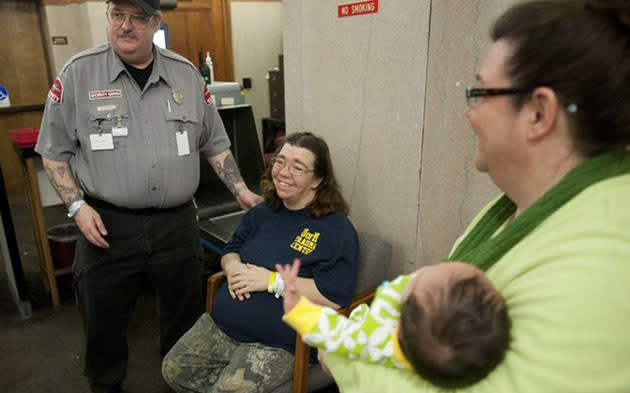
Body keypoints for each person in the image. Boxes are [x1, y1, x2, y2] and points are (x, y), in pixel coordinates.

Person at [319, 1, 630, 392]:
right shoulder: (507, 211)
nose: (471, 113)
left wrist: (345, 356)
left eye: (480, 92)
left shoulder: (604, 261)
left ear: (538, 113)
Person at [35, 0, 261, 392]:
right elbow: (53, 152)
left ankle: (177, 382)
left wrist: (240, 190)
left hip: (176, 224)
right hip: (106, 225)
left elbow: (215, 145)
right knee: (102, 319)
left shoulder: (186, 76)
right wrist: (77, 206)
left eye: (138, 18)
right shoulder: (78, 74)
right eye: (117, 15)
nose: (126, 26)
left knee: (184, 317)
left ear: (156, 22)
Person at [162, 132, 359, 393]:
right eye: (280, 162)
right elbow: (231, 250)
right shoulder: (261, 212)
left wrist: (271, 281)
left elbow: (334, 295)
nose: (284, 172)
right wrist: (233, 268)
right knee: (172, 370)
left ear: (318, 180)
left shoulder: (336, 229)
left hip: (278, 342)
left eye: (297, 167)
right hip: (222, 325)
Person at [277, 259, 510, 389]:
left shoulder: (376, 340)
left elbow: (332, 331)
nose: (422, 269)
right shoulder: (447, 360)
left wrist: (297, 309)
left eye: (425, 273)